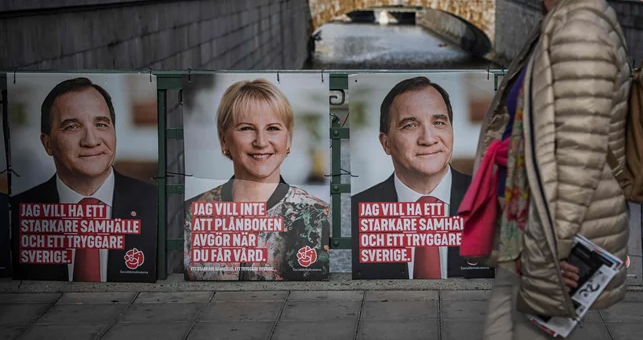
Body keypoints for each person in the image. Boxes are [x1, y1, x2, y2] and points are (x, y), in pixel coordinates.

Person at [475, 0, 631, 339]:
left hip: (552, 240)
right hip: (528, 228)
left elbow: (579, 159)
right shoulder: (559, 22)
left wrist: (554, 256)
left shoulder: (579, 32)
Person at [10, 77, 157, 282]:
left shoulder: (158, 205)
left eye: (101, 124)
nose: (91, 140)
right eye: (72, 126)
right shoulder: (14, 215)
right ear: (48, 143)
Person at [183, 79, 330, 281]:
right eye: (246, 128)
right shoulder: (192, 213)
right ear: (223, 139)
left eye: (273, 128)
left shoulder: (315, 216)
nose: (261, 142)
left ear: (289, 139)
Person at [351, 77, 479, 280]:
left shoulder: (489, 201)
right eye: (410, 125)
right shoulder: (353, 214)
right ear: (386, 143)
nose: (428, 139)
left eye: (439, 122)